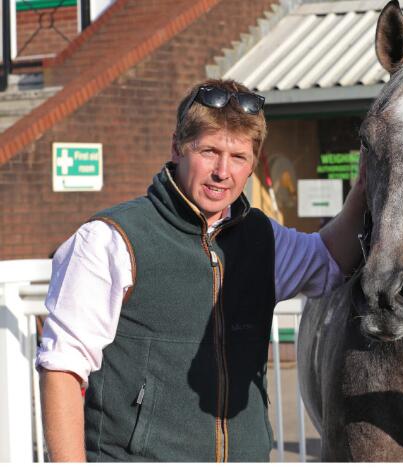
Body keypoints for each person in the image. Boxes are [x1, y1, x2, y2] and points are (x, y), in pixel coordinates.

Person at [36, 79, 366, 462]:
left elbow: (328, 258)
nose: (223, 172)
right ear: (177, 147)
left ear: (253, 165)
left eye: (239, 157)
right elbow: (62, 369)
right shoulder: (109, 240)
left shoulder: (262, 238)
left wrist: (363, 185)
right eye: (209, 151)